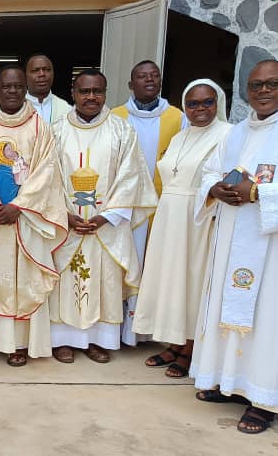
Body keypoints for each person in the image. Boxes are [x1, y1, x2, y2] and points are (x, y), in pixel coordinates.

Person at [191, 60, 278, 435]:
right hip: (234, 238)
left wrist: (258, 192)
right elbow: (210, 169)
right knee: (231, 310)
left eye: (272, 84)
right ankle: (231, 382)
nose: (263, 91)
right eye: (255, 86)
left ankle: (265, 399)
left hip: (277, 247)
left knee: (271, 315)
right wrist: (214, 188)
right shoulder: (237, 133)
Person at [0, 65, 68, 367]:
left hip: (24, 217)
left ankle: (18, 343)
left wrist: (19, 205)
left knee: (21, 280)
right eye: (6, 86)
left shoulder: (39, 127)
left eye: (18, 87)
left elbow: (48, 171)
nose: (12, 92)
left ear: (25, 89)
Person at [48, 69, 157, 364]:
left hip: (106, 226)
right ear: (73, 93)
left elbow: (131, 176)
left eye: (98, 91)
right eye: (85, 91)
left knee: (104, 281)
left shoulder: (121, 130)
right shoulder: (56, 130)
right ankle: (62, 340)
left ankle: (98, 340)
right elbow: (47, 177)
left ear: (106, 93)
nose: (91, 97)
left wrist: (107, 216)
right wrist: (64, 214)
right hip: (67, 224)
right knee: (63, 279)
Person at [133, 79, 232, 378]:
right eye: (192, 103)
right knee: (170, 280)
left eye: (207, 103)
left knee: (192, 282)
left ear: (219, 104)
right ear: (184, 107)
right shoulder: (179, 136)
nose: (200, 109)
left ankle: (191, 347)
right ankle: (174, 342)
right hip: (169, 216)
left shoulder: (228, 136)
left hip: (199, 219)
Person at [111, 60, 187, 343]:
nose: (149, 80)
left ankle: (151, 331)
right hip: (124, 206)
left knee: (156, 266)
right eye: (142, 77)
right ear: (131, 84)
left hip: (163, 206)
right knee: (124, 265)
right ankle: (120, 329)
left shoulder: (179, 118)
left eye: (154, 76)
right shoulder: (115, 117)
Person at [24, 54, 71, 125]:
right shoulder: (16, 108)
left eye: (47, 70)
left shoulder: (66, 109)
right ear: (25, 75)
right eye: (35, 70)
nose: (42, 74)